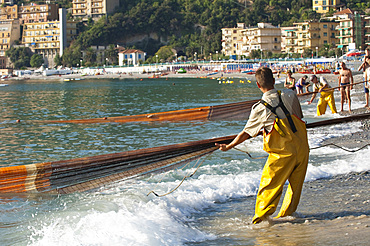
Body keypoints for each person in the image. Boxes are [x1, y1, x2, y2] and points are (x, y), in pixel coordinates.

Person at [216, 67, 309, 224]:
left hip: (282, 153)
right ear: (274, 81)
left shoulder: (260, 108)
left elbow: (246, 133)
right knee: (295, 187)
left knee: (269, 185)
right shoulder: (290, 94)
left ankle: (260, 220)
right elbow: (298, 117)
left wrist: (229, 146)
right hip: (302, 147)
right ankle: (287, 215)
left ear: (258, 86)